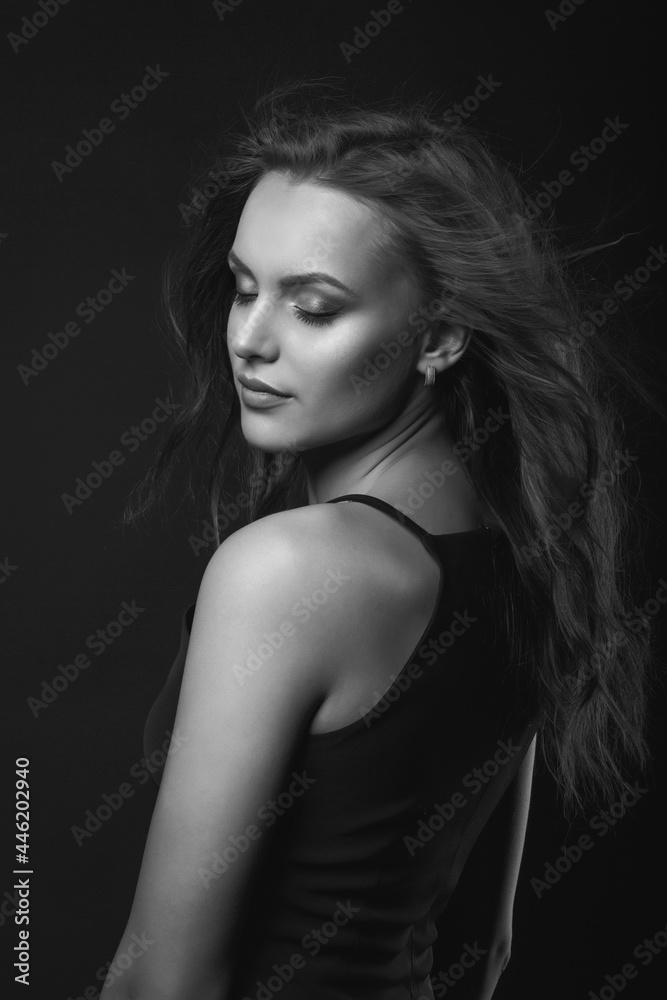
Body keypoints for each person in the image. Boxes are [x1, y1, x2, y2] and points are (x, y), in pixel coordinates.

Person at [103, 81, 657, 1000]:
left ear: (437, 334)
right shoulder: (525, 560)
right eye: (244, 290)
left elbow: (161, 983)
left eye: (313, 309)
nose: (249, 338)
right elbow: (486, 949)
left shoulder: (287, 570)